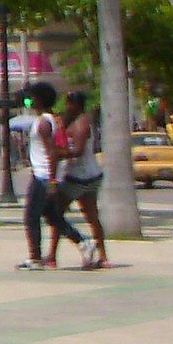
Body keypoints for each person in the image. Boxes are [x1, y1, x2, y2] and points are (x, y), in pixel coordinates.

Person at [16, 84, 84, 270]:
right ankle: (84, 243)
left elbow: (52, 153)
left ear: (39, 99)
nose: (28, 101)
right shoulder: (50, 120)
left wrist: (52, 180)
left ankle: (35, 258)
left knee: (31, 217)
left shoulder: (44, 123)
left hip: (42, 176)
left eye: (31, 98)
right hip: (45, 175)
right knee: (52, 217)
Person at [57, 88, 107, 270]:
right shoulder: (71, 121)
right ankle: (103, 256)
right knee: (92, 216)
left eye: (70, 102)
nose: (67, 106)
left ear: (77, 105)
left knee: (56, 215)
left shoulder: (81, 122)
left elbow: (77, 150)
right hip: (90, 175)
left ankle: (52, 256)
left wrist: (56, 154)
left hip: (78, 177)